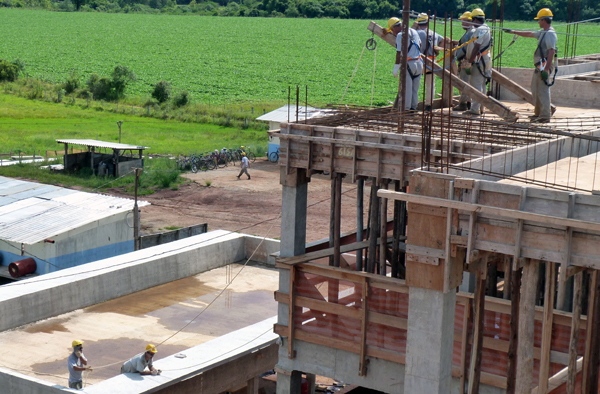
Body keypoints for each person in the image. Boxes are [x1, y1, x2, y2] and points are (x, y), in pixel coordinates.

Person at [504, 8, 557, 123]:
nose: (538, 22)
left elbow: (551, 52)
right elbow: (529, 33)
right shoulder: (544, 32)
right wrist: (514, 32)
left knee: (543, 91)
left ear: (544, 20)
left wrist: (546, 70)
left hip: (544, 66)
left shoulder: (550, 34)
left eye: (539, 20)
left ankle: (545, 116)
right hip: (540, 66)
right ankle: (538, 114)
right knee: (535, 89)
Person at [386, 17, 423, 111]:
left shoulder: (400, 35)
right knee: (415, 90)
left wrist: (396, 67)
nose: (393, 33)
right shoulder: (414, 31)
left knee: (407, 90)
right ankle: (413, 109)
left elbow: (399, 52)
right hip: (419, 63)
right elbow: (420, 44)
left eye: (392, 31)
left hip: (409, 64)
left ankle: (406, 111)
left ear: (394, 28)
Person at [464, 8, 492, 116]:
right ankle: (481, 107)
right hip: (485, 59)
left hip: (479, 60)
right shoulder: (486, 28)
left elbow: (476, 47)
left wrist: (470, 61)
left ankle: (475, 109)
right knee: (483, 84)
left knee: (476, 84)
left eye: (472, 20)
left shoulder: (480, 29)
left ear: (475, 19)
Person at [414, 13, 443, 110]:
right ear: (427, 23)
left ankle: (413, 104)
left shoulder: (417, 33)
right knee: (430, 84)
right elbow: (443, 40)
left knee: (415, 82)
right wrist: (437, 51)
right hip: (432, 61)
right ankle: (428, 105)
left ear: (418, 23)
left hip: (420, 60)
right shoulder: (433, 33)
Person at [453, 12, 475, 111]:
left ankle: (463, 104)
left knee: (464, 82)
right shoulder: (472, 32)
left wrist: (458, 56)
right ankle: (469, 102)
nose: (462, 23)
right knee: (469, 82)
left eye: (464, 21)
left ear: (469, 21)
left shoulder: (469, 33)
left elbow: (464, 47)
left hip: (466, 61)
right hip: (471, 60)